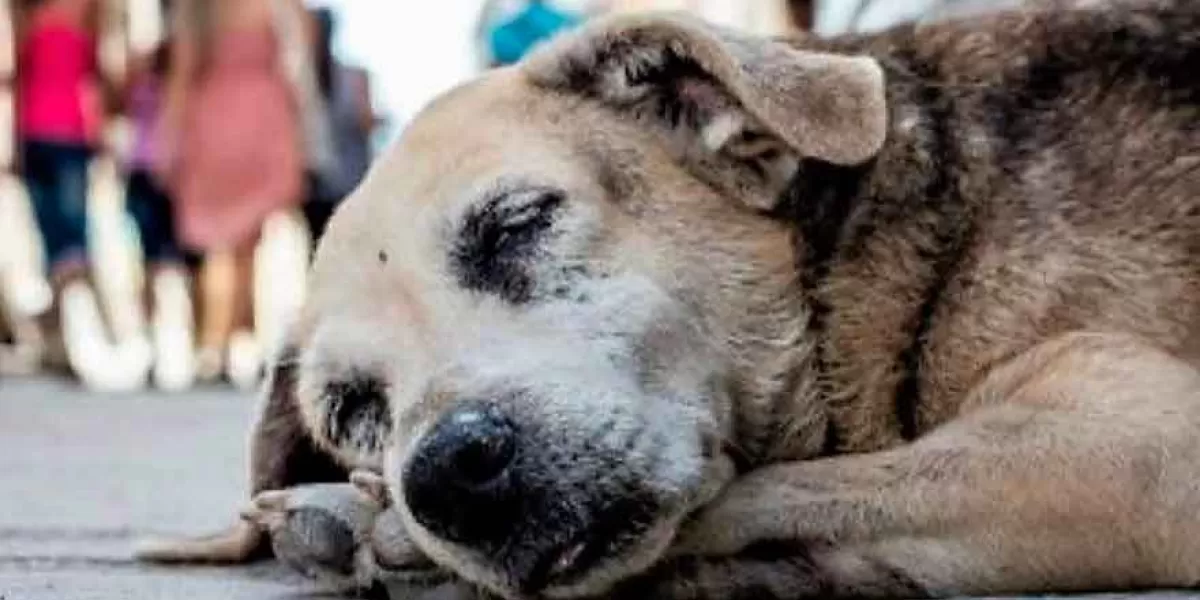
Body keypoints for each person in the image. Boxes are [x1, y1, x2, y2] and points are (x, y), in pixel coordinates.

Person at [157, 0, 313, 388]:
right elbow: (299, 62)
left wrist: (169, 143)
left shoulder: (198, 13)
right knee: (247, 249)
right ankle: (236, 343)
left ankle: (217, 345)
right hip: (264, 119)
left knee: (216, 247)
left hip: (214, 121)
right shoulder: (274, 7)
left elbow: (181, 76)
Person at [15, 0, 147, 390]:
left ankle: (59, 338)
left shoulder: (33, 13)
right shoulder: (90, 12)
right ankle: (67, 337)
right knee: (70, 241)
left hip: (41, 136)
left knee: (59, 240)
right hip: (67, 136)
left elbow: (20, 77)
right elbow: (106, 79)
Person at [121, 36, 195, 391]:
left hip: (170, 175)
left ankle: (178, 341)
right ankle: (153, 345)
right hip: (142, 174)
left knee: (173, 264)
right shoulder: (142, 75)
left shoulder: (186, 81)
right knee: (152, 263)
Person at [302, 6, 375, 244]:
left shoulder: (306, 81)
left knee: (322, 246)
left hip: (333, 181)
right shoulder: (353, 77)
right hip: (328, 183)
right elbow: (367, 120)